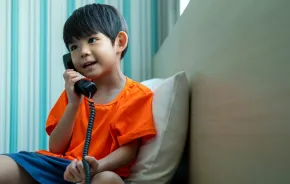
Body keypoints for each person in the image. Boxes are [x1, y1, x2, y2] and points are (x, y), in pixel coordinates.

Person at [0, 3, 156, 184]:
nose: (83, 52)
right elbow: (56, 147)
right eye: (74, 47)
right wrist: (73, 104)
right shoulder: (75, 92)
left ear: (119, 42)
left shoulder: (137, 95)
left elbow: (130, 150)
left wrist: (97, 166)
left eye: (92, 40)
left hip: (101, 169)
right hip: (60, 166)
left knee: (108, 180)